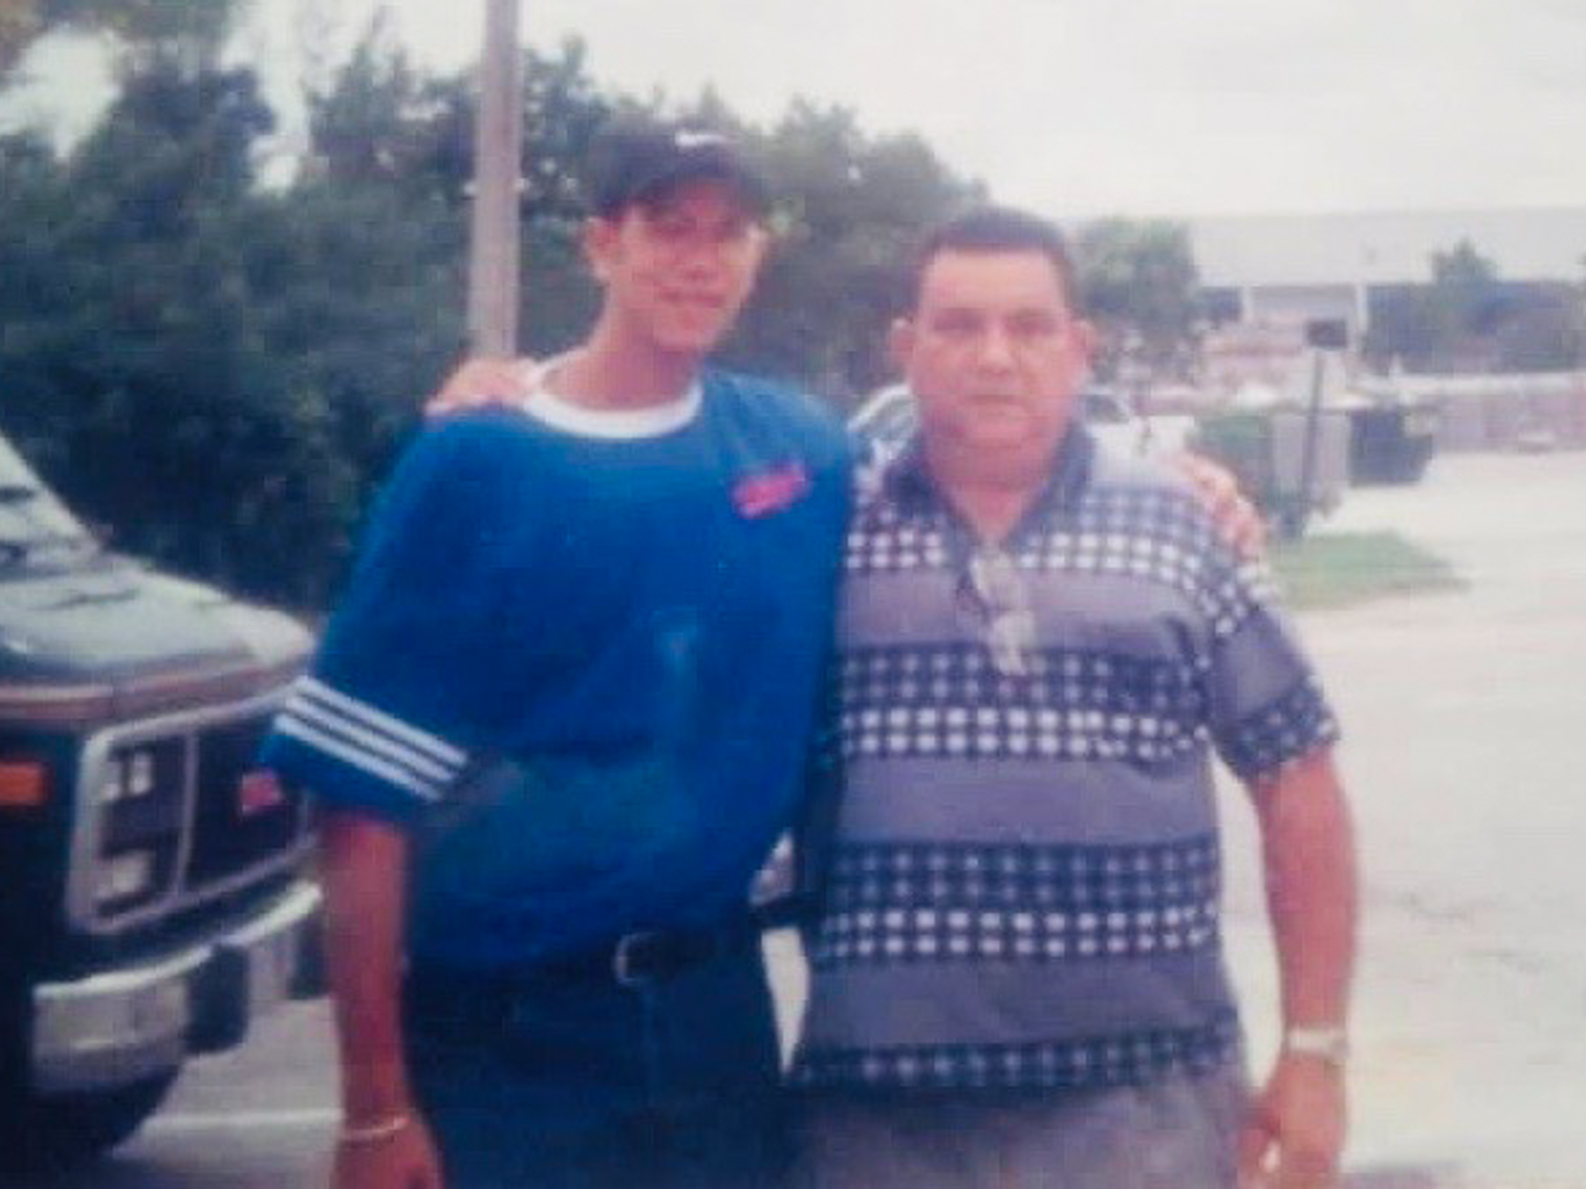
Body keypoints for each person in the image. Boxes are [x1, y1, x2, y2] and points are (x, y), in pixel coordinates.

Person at [259, 118, 854, 1188]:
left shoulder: (799, 451)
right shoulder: (475, 462)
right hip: (508, 1039)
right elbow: (359, 807)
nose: (701, 259)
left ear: (757, 253)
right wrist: (375, 1106)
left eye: (727, 232)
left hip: (716, 1013)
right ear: (601, 244)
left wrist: (1168, 499)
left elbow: (966, 484)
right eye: (669, 226)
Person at [787, 207, 1357, 1189]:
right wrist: (520, 391)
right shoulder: (818, 532)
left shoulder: (1183, 524)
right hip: (878, 1118)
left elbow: (1296, 775)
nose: (994, 356)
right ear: (905, 348)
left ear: (1080, 349)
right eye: (958, 325)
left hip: (1145, 1110)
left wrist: (1315, 1050)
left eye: (1029, 326)